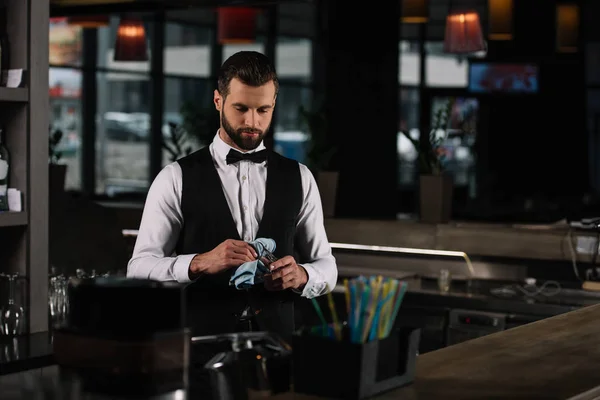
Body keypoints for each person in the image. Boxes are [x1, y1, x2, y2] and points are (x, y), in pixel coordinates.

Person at [127, 51, 338, 342]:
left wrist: (302, 275)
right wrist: (198, 263)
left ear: (274, 104)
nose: (252, 121)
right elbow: (138, 270)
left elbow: (327, 266)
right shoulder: (175, 177)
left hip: (278, 347)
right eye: (241, 108)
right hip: (199, 347)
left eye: (263, 110)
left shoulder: (300, 176)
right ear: (218, 101)